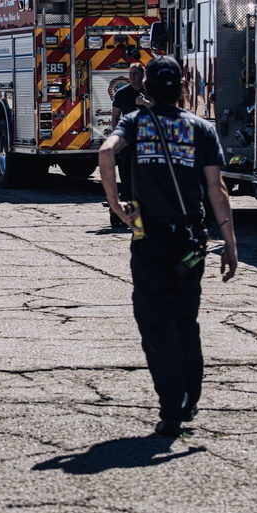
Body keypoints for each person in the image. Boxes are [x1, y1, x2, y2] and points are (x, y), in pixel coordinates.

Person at [99, 56, 238, 437]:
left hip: (149, 235)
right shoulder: (200, 129)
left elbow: (107, 152)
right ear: (181, 86)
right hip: (191, 238)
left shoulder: (135, 122)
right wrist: (229, 242)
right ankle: (189, 396)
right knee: (185, 319)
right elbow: (216, 189)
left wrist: (116, 205)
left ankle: (171, 404)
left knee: (155, 322)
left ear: (147, 88)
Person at [108, 62, 151, 226]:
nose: (132, 76)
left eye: (136, 73)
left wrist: (144, 102)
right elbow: (115, 116)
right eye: (131, 73)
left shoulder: (150, 92)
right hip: (128, 142)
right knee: (126, 179)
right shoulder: (122, 93)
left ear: (143, 74)